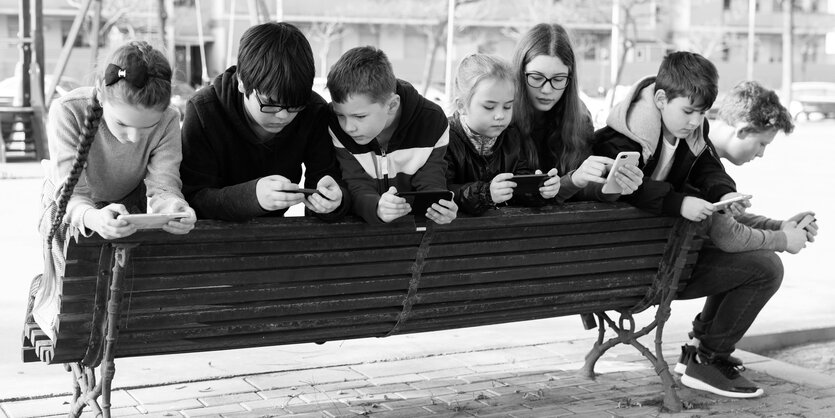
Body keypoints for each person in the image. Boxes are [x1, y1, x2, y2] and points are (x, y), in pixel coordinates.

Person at [593, 52, 807, 398]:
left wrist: (727, 193)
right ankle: (707, 357)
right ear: (661, 99)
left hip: (656, 259)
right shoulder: (621, 139)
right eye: (688, 112)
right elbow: (629, 188)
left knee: (759, 263)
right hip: (635, 268)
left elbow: (709, 168)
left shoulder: (690, 132)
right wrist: (680, 202)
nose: (695, 121)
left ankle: (703, 352)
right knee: (765, 267)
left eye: (702, 113)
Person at [34, 40, 195, 339]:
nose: (134, 138)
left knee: (124, 306)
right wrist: (93, 218)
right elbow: (70, 195)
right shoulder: (68, 111)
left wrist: (174, 208)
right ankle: (44, 296)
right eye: (122, 124)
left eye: (147, 128)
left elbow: (163, 185)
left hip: (126, 205)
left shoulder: (170, 119)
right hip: (68, 212)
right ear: (100, 92)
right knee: (72, 308)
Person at [180, 22, 348, 222]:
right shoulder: (204, 111)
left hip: (278, 240)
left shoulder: (313, 110)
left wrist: (334, 203)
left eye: (294, 105)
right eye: (270, 103)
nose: (283, 116)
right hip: (211, 242)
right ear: (242, 81)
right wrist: (252, 197)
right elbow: (192, 200)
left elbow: (328, 183)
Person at [326, 46, 458, 224]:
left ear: (392, 105)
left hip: (413, 233)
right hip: (355, 232)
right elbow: (355, 184)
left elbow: (431, 181)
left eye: (360, 116)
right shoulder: (333, 123)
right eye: (340, 115)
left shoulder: (432, 121)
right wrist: (376, 207)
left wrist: (439, 208)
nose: (348, 127)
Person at [512, 23, 643, 201]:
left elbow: (581, 188)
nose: (547, 89)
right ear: (520, 73)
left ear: (570, 78)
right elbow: (523, 195)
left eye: (558, 79)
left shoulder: (579, 118)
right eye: (536, 77)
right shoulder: (502, 116)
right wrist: (573, 180)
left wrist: (613, 187)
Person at [445, 53, 561, 216]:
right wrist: (485, 194)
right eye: (489, 107)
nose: (500, 115)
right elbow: (442, 191)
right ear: (462, 105)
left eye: (507, 107)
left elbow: (521, 179)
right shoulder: (445, 138)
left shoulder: (511, 136)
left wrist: (539, 188)